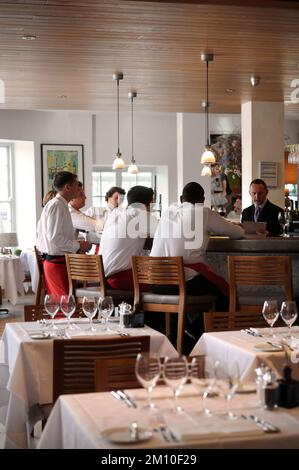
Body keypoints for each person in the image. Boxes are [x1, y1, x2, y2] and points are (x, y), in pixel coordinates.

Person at [150, 182, 245, 307]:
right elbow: (237, 233)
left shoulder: (168, 212)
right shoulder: (204, 213)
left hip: (154, 282)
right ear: (203, 200)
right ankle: (211, 326)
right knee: (225, 294)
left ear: (180, 199)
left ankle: (192, 325)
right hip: (182, 283)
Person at [37, 171, 91, 296]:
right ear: (67, 187)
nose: (79, 189)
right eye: (77, 185)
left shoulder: (61, 205)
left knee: (63, 304)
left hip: (58, 262)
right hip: (56, 263)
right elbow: (55, 238)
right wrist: (79, 246)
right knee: (64, 305)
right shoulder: (57, 205)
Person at [99, 185, 158, 290]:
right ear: (147, 204)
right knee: (166, 282)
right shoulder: (141, 215)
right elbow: (167, 232)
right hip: (121, 278)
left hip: (102, 277)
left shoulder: (115, 214)